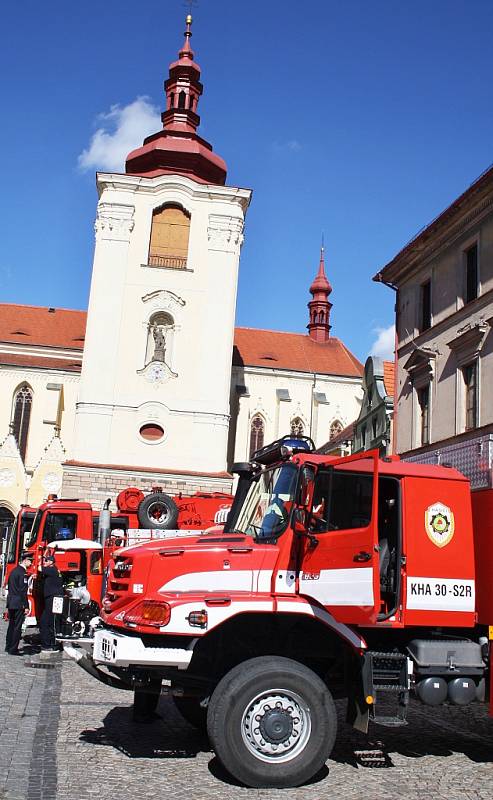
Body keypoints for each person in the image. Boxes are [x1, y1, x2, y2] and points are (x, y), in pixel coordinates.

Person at [5, 551, 33, 655]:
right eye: (30, 561)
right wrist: (26, 605)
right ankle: (13, 648)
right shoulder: (22, 573)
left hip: (11, 601)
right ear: (25, 561)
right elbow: (22, 591)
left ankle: (8, 646)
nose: (31, 564)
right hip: (18, 603)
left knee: (11, 625)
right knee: (17, 626)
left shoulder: (14, 571)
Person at [39, 554, 64, 651]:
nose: (44, 562)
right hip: (54, 598)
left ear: (51, 562)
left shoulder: (52, 570)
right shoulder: (54, 570)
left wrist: (40, 558)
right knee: (50, 621)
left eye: (46, 561)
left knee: (50, 621)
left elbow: (39, 568)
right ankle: (50, 643)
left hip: (52, 598)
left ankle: (52, 644)